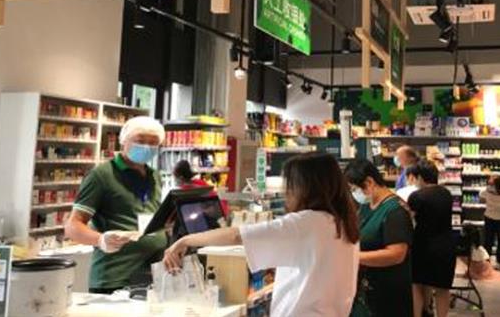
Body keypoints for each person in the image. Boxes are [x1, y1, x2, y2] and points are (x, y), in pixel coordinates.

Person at [164, 153, 359, 317]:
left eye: (291, 186)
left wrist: (185, 240)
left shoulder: (306, 223)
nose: (287, 193)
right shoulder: (341, 221)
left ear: (307, 188)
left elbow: (236, 236)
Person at [65, 116, 167, 293]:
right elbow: (72, 226)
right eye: (140, 141)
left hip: (152, 275)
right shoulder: (101, 176)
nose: (146, 147)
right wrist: (100, 240)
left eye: (153, 143)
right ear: (123, 140)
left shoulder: (154, 176)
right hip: (115, 278)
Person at [345, 159, 414, 317]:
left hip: (387, 291)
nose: (355, 194)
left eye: (354, 189)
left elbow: (397, 254)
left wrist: (354, 257)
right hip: (367, 289)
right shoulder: (367, 206)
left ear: (369, 182)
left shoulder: (395, 211)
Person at [406, 160, 457, 317]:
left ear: (420, 177)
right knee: (442, 288)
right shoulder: (446, 194)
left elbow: (409, 218)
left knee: (417, 284)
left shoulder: (417, 196)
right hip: (446, 245)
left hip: (423, 245)